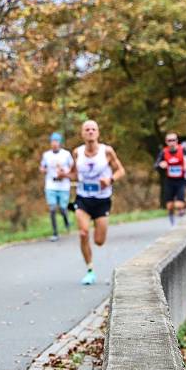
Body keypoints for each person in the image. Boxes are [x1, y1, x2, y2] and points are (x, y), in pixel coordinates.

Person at [62, 120, 125, 285]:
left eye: (93, 129)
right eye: (87, 129)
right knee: (83, 233)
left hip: (102, 200)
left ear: (98, 133)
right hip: (83, 199)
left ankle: (96, 241)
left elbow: (121, 170)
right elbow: (74, 174)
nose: (90, 132)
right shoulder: (77, 153)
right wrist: (64, 175)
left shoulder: (107, 151)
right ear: (82, 134)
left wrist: (110, 179)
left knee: (99, 241)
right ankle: (90, 270)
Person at [40, 132, 72, 241]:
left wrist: (65, 172)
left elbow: (73, 168)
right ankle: (55, 233)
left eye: (56, 141)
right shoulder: (46, 155)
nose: (54, 144)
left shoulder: (66, 154)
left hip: (63, 185)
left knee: (63, 209)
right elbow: (42, 167)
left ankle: (66, 220)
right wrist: (43, 170)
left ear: (60, 143)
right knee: (52, 209)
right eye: (52, 141)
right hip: (51, 185)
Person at [154, 132, 186, 225]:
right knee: (170, 206)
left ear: (177, 141)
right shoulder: (164, 152)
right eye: (169, 140)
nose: (172, 142)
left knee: (178, 204)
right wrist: (160, 165)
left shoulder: (182, 150)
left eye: (173, 140)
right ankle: (172, 220)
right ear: (166, 142)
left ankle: (184, 207)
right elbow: (155, 165)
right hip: (169, 181)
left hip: (180, 180)